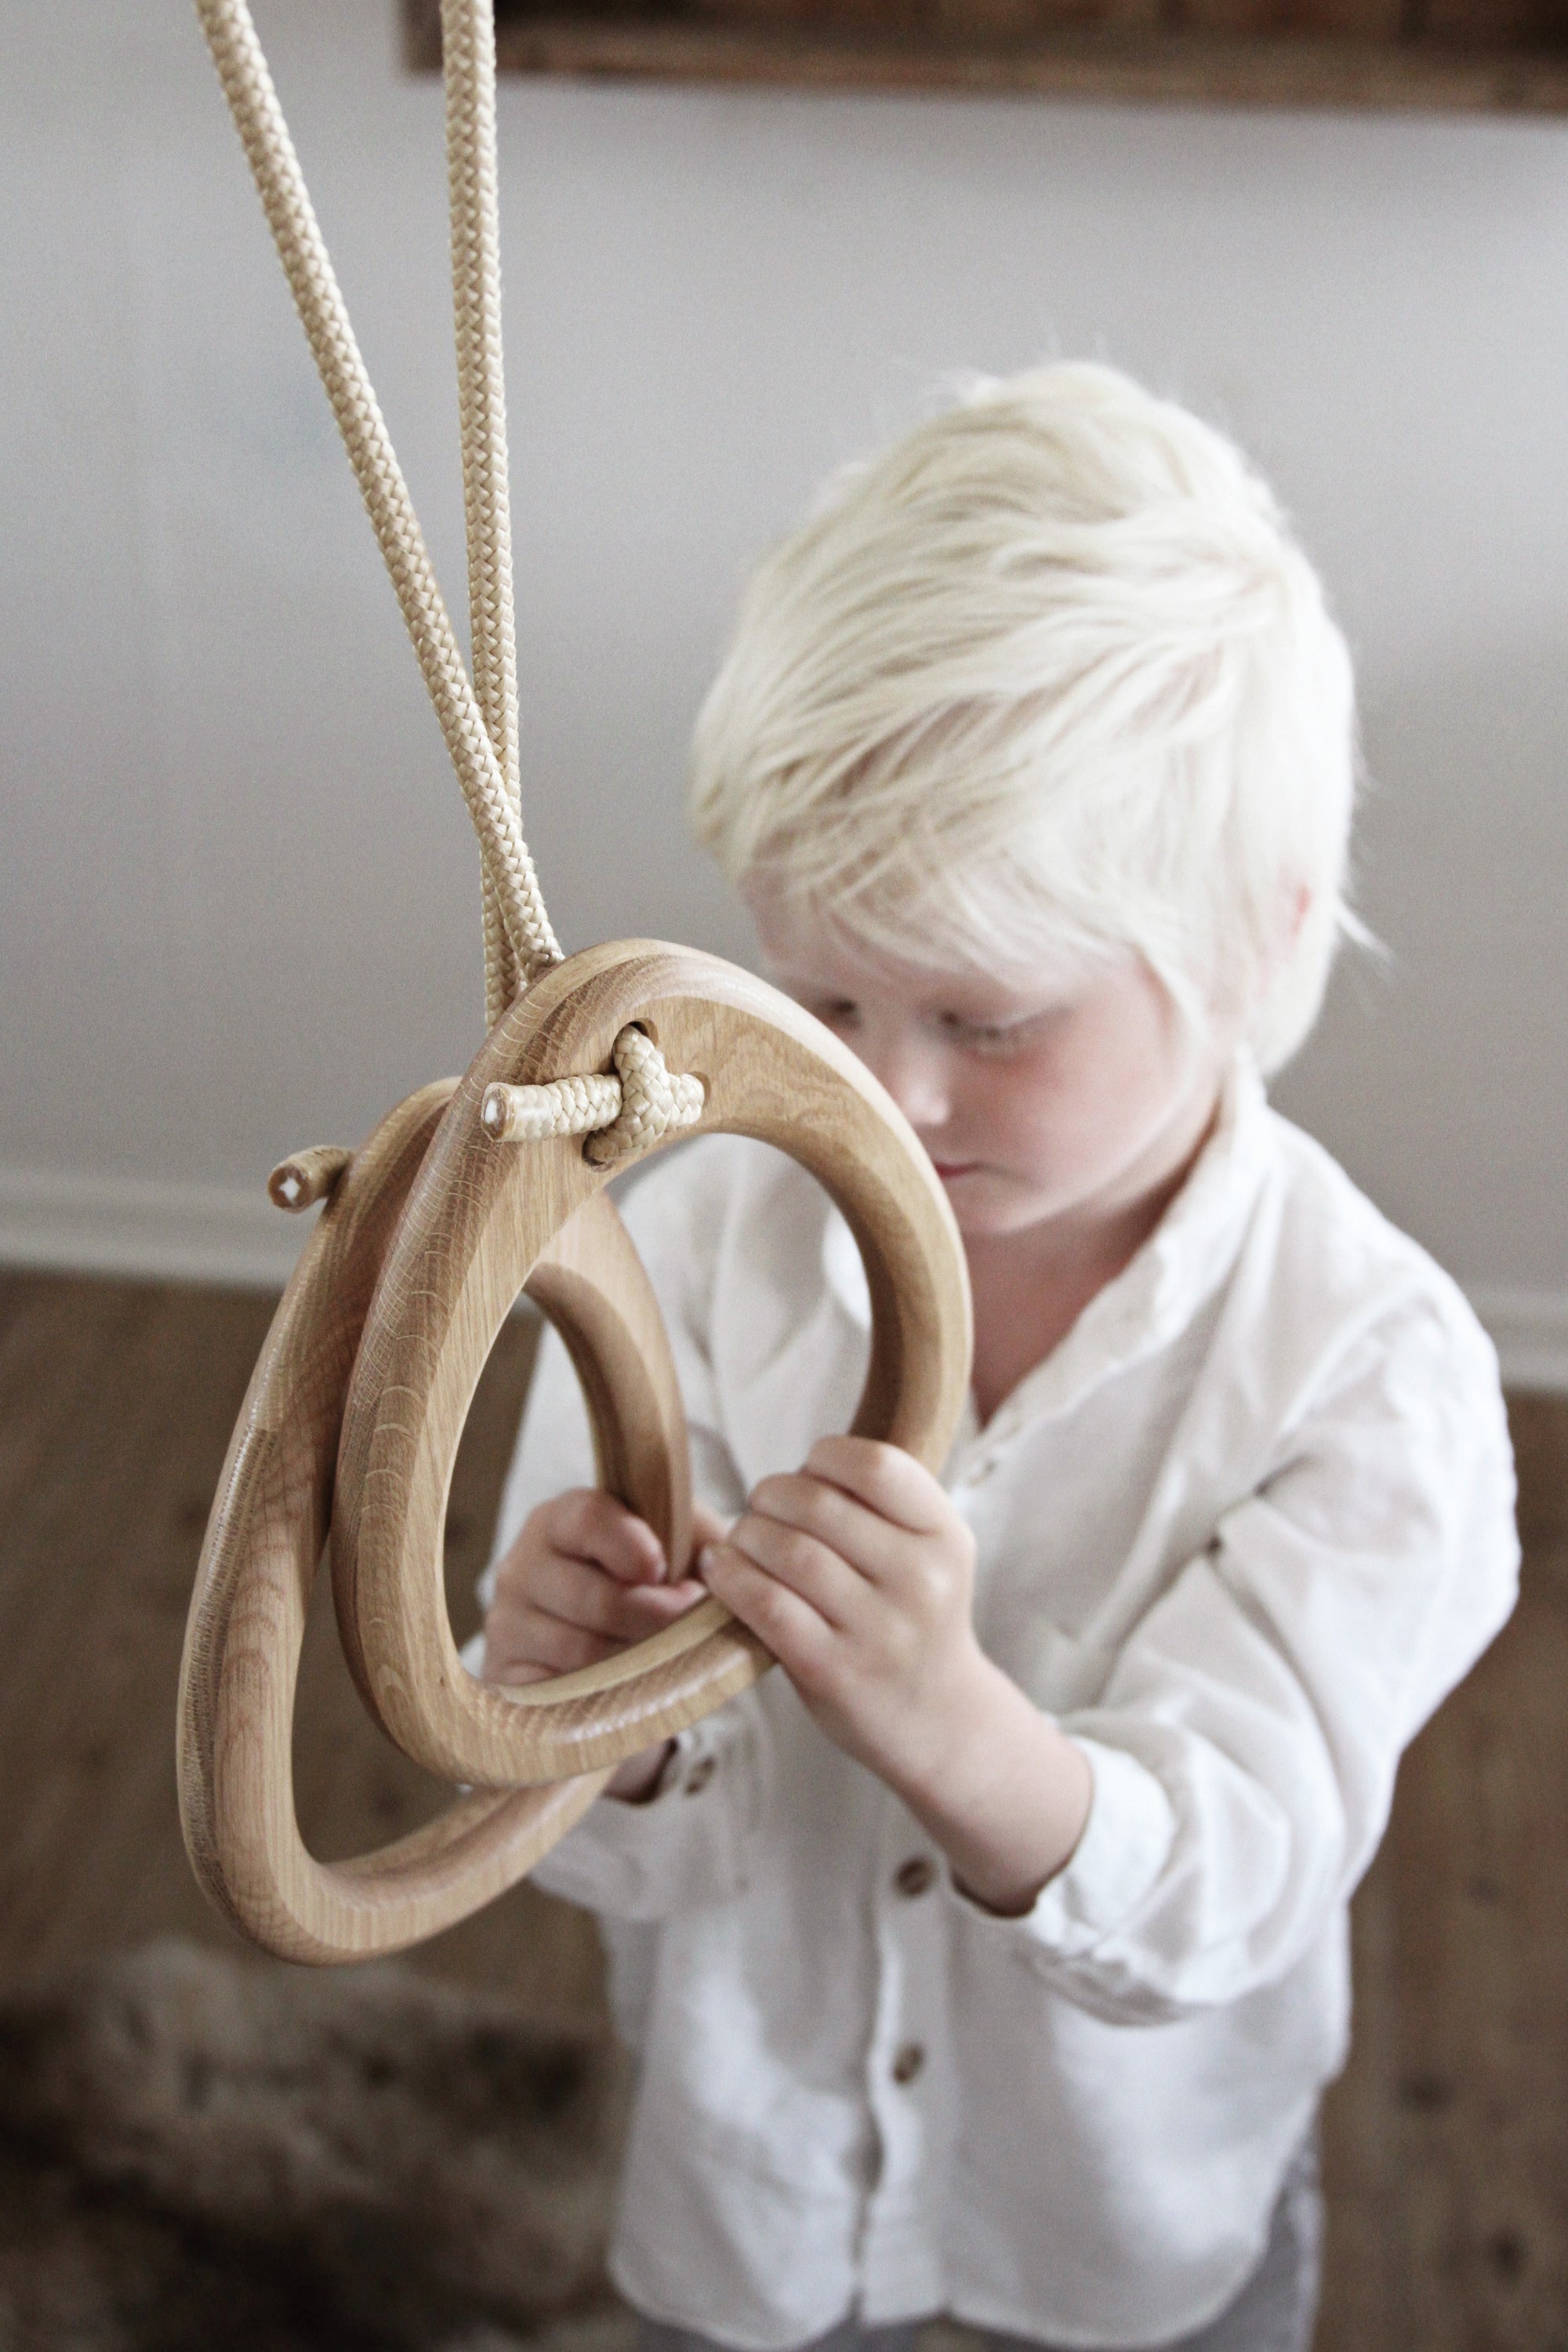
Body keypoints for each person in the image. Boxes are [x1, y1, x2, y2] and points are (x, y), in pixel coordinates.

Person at [470, 364, 1519, 2352]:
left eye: (988, 1019)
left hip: (1121, 2240)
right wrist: (586, 1704)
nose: (887, 1096)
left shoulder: (1365, 1377)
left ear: (1255, 937)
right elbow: (615, 1834)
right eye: (823, 999)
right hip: (759, 2195)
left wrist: (947, 1721)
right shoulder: (688, 1249)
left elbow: (1232, 1882)